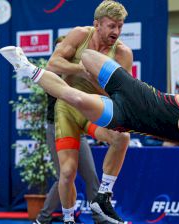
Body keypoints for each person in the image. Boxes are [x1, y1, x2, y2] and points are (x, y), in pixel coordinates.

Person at [0, 46, 179, 224]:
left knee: (74, 98)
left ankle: (27, 68)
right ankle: (62, 65)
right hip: (131, 89)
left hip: (124, 118)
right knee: (87, 55)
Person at [43, 1, 133, 223]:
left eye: (120, 27)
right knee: (67, 173)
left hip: (93, 109)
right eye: (111, 26)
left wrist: (98, 80)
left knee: (121, 137)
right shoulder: (80, 35)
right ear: (97, 24)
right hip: (66, 109)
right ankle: (68, 219)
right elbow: (52, 64)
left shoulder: (122, 53)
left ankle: (102, 196)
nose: (116, 32)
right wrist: (80, 70)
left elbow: (121, 95)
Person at [34, 37, 102, 224]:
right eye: (60, 49)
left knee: (91, 176)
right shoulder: (50, 72)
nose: (64, 53)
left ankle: (100, 217)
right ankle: (43, 219)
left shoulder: (78, 72)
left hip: (77, 130)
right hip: (56, 130)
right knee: (64, 176)